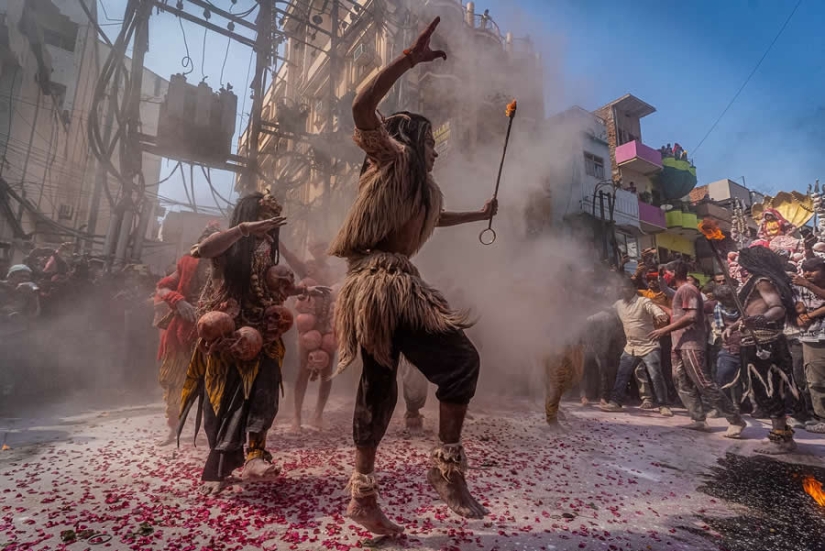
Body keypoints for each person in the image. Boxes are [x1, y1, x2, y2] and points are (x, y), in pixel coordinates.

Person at [328, 17, 496, 534]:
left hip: (397, 284)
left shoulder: (426, 191)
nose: (437, 151)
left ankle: (407, 482)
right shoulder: (393, 160)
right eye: (431, 143)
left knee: (410, 378)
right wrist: (406, 57)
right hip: (378, 283)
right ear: (414, 139)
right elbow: (360, 109)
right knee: (438, 367)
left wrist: (480, 215)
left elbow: (436, 219)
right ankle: (388, 487)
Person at [178, 192, 329, 495]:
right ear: (249, 214)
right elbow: (202, 251)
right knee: (222, 402)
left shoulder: (267, 246)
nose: (269, 225)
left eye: (273, 220)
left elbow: (264, 287)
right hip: (226, 333)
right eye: (265, 216)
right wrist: (244, 229)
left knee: (265, 388)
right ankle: (219, 466)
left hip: (263, 330)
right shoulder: (227, 240)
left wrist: (300, 290)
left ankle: (255, 455)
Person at [649, 260, 747, 437]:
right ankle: (698, 419)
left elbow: (692, 316)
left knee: (703, 383)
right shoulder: (681, 290)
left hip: (691, 344)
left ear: (675, 272)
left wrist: (664, 329)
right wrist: (659, 274)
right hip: (679, 344)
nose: (665, 276)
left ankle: (736, 420)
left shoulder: (688, 289)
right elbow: (665, 289)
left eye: (667, 272)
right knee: (681, 380)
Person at [154, 223, 219, 445]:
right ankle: (173, 429)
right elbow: (162, 288)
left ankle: (217, 433)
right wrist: (177, 300)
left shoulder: (230, 266)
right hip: (183, 332)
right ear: (201, 244)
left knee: (216, 382)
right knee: (174, 381)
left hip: (216, 333)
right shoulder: (187, 263)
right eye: (210, 241)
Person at [732, 246, 800, 453]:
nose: (740, 266)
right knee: (765, 392)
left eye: (743, 262)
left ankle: (780, 440)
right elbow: (751, 310)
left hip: (764, 343)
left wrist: (759, 320)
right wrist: (734, 325)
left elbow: (777, 309)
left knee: (770, 391)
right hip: (757, 343)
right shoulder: (757, 280)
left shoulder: (762, 281)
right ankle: (781, 435)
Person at [279, 239, 341, 432]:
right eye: (316, 247)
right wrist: (277, 238)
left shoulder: (333, 272)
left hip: (328, 325)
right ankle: (296, 417)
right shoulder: (305, 268)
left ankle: (318, 415)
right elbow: (289, 256)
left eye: (323, 247)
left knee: (328, 372)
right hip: (308, 326)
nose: (319, 251)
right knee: (303, 372)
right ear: (311, 250)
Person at [601, 278, 673, 416]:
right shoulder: (618, 304)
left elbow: (654, 309)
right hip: (631, 347)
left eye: (627, 287)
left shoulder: (643, 301)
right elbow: (606, 311)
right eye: (622, 287)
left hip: (649, 345)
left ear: (634, 288)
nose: (624, 290)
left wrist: (660, 315)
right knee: (622, 374)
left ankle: (664, 405)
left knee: (656, 375)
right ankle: (615, 402)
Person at [791, 257, 825, 433]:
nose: (808, 273)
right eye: (805, 270)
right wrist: (800, 316)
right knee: (814, 380)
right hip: (811, 337)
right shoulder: (799, 287)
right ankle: (821, 418)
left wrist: (807, 284)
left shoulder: (805, 283)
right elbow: (799, 307)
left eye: (813, 269)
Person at [712, 285, 743, 408]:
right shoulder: (718, 308)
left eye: (729, 297)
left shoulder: (743, 305)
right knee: (723, 375)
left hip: (746, 345)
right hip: (729, 347)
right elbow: (722, 329)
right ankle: (722, 406)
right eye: (724, 299)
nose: (728, 301)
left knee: (747, 378)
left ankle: (749, 405)